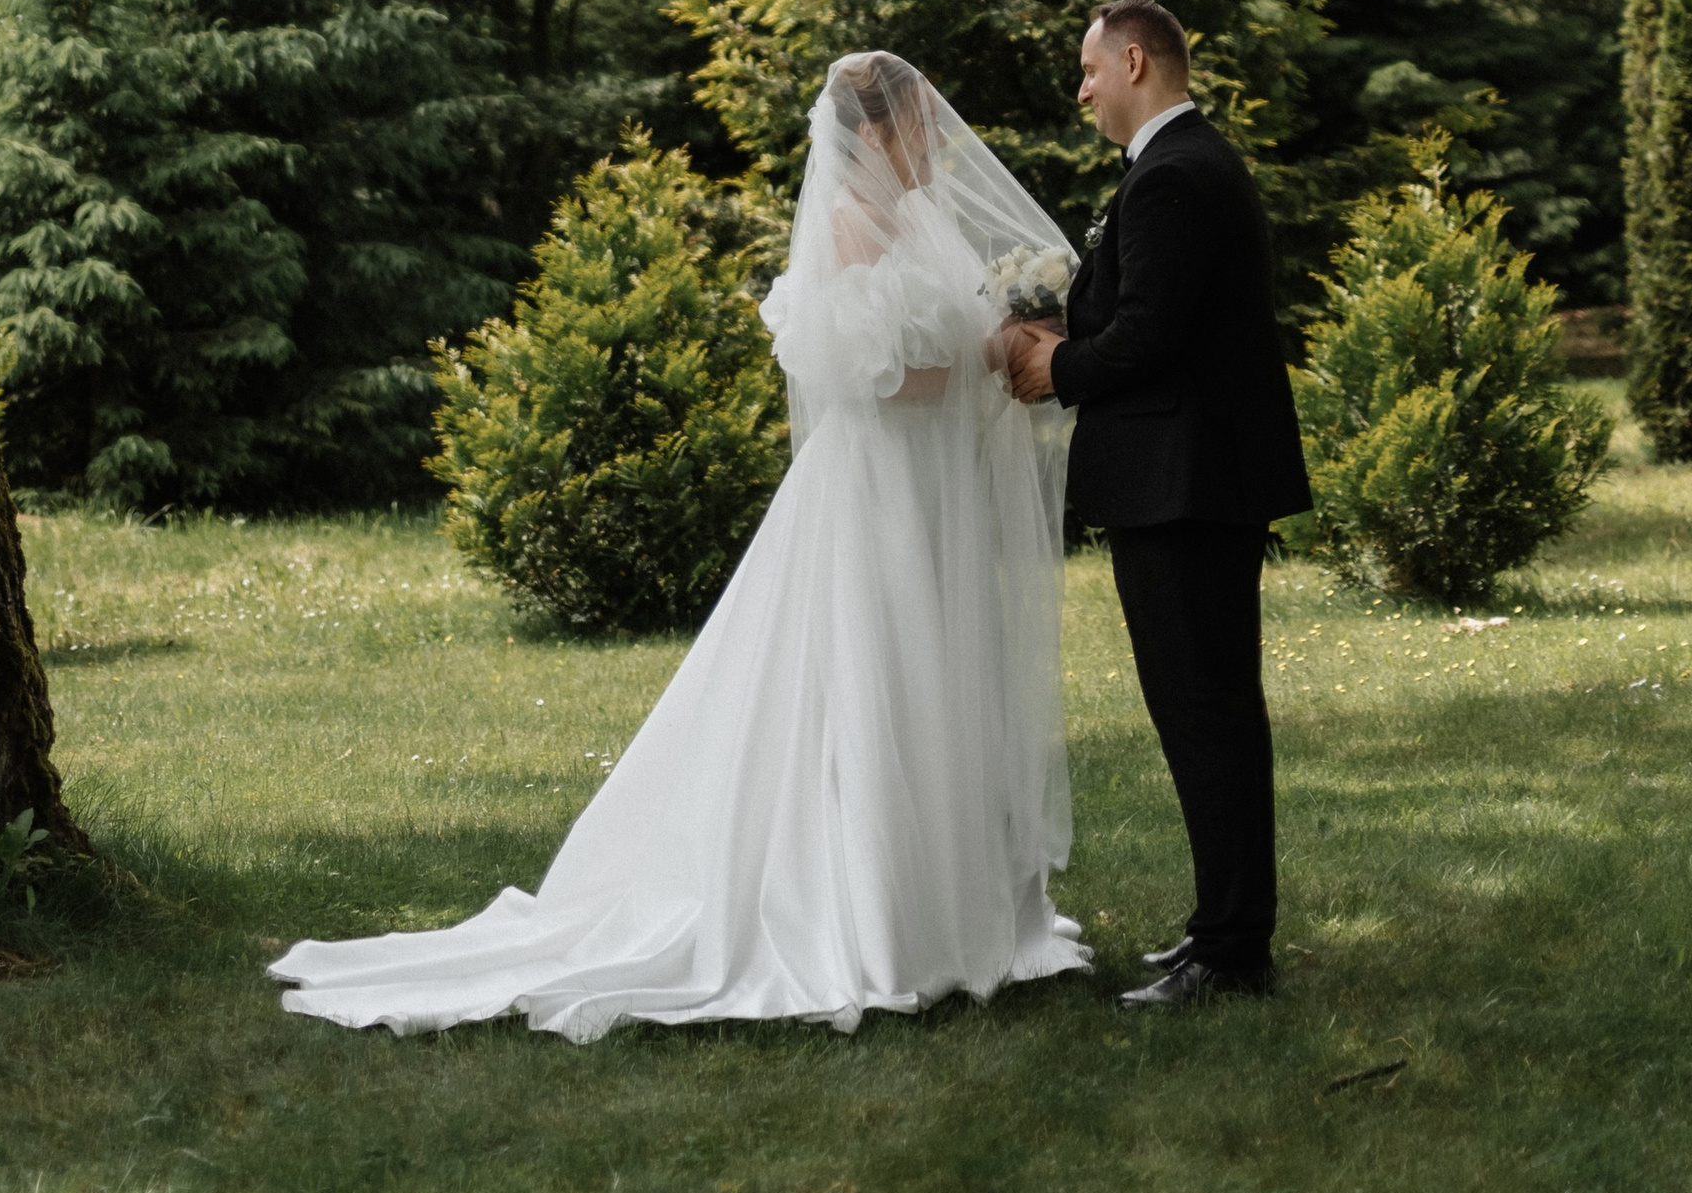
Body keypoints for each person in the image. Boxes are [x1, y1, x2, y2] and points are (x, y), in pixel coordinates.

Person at [269, 53, 1092, 1039]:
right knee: (872, 676)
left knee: (935, 675)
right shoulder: (849, 227)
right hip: (873, 495)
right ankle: (872, 924)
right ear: (871, 135)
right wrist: (985, 361)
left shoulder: (923, 224)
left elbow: (947, 346)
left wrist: (1004, 339)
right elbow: (868, 376)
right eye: (920, 128)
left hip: (924, 493)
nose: (936, 147)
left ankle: (948, 907)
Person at [999, 0, 1309, 1008]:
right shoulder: (1178, 167)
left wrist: (1058, 368)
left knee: (1205, 712)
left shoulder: (1174, 174)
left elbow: (1147, 337)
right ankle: (1220, 928)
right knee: (1203, 711)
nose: (1082, 89)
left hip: (1186, 485)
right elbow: (1140, 311)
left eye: (1089, 69)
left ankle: (1230, 949)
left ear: (1134, 60)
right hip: (1187, 480)